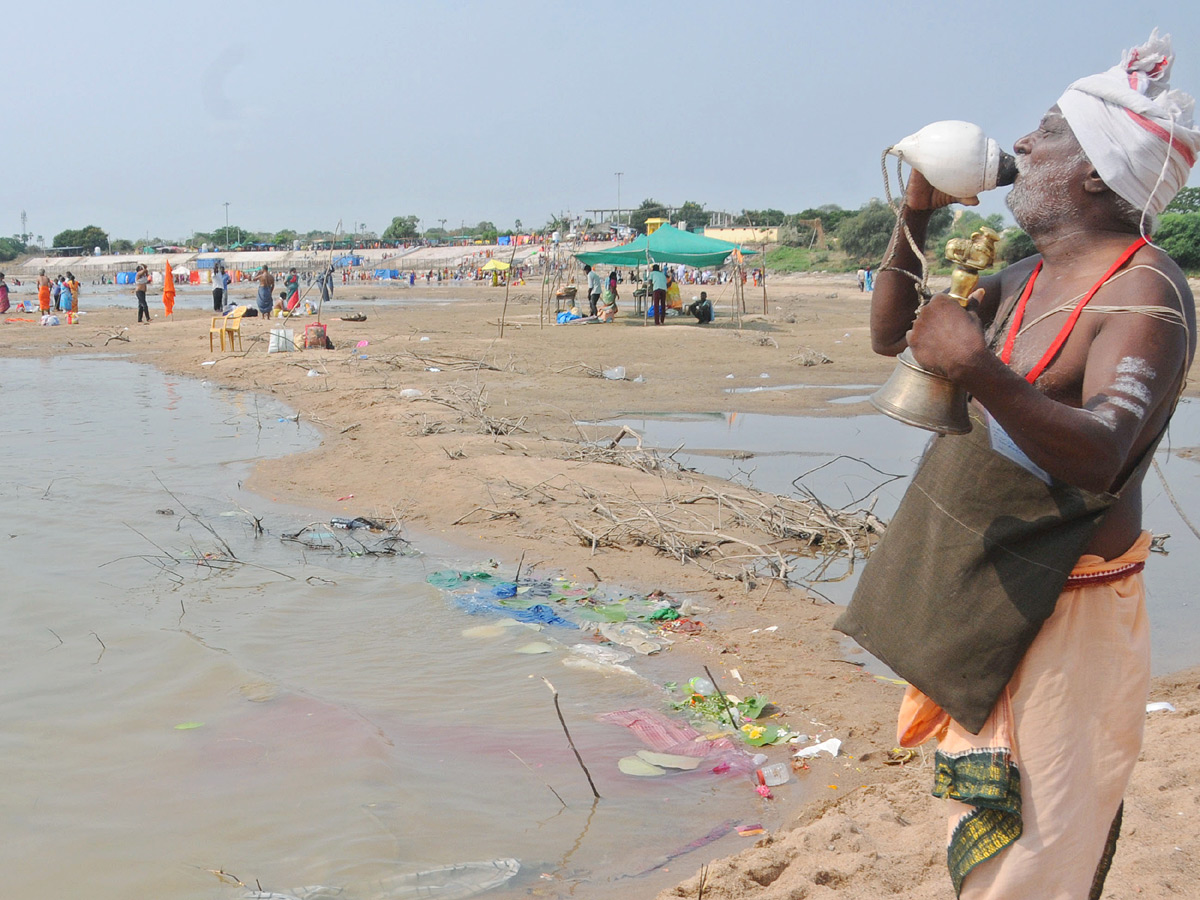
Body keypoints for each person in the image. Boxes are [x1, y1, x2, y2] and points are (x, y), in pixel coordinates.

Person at [837, 30, 1198, 899]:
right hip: (999, 595)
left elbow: (1102, 452)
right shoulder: (1027, 277)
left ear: (1091, 174)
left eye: (1047, 132)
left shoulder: (1144, 292)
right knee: (996, 833)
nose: (1022, 146)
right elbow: (893, 335)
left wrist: (981, 369)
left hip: (1071, 610)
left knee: (1041, 849)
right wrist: (916, 214)